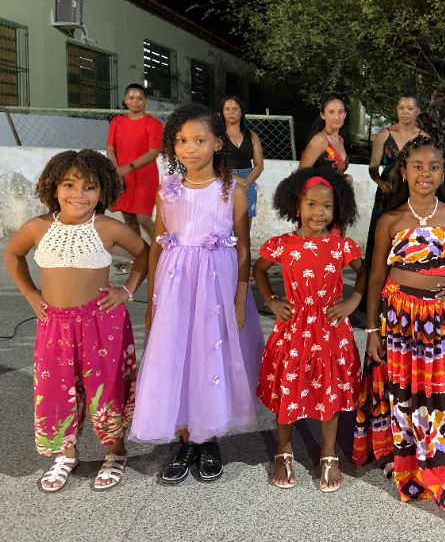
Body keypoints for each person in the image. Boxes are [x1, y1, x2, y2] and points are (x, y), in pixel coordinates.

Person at [129, 103, 263, 485]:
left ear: (218, 143)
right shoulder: (167, 190)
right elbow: (157, 246)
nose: (190, 149)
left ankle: (209, 439)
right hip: (175, 288)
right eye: (182, 141)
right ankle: (186, 439)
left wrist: (240, 299)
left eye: (200, 140)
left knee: (210, 355)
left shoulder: (232, 191)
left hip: (216, 289)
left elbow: (243, 249)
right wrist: (152, 301)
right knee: (179, 356)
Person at [4, 149, 147, 492]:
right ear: (54, 187)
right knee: (55, 388)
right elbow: (13, 253)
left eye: (89, 187)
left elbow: (146, 253)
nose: (78, 194)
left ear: (103, 191)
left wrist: (127, 290)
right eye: (69, 185)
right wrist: (31, 294)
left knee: (107, 388)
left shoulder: (108, 227)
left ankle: (115, 451)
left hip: (102, 324)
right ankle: (66, 454)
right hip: (54, 325)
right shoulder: (38, 227)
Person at [365, 136, 445, 539]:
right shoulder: (390, 220)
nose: (425, 174)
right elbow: (375, 277)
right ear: (403, 171)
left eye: (434, 167)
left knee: (438, 401)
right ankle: (409, 464)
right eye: (417, 166)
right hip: (397, 319)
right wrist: (372, 330)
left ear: (444, 172)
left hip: (437, 322)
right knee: (403, 394)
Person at [254, 167, 363, 492]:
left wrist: (353, 301)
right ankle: (283, 449)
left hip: (329, 327)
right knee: (289, 385)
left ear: (337, 209)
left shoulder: (342, 246)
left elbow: (366, 272)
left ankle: (328, 453)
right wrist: (272, 300)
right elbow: (259, 270)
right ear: (296, 206)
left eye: (327, 206)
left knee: (329, 388)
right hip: (293, 327)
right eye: (311, 204)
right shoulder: (282, 244)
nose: (319, 212)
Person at [361, 93, 430, 310]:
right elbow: (373, 165)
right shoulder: (385, 134)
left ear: (418, 111)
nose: (405, 112)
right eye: (401, 108)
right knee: (379, 241)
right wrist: (379, 182)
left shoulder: (424, 137)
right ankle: (372, 296)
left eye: (409, 108)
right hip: (388, 193)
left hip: (411, 194)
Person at [106, 83, 163, 241]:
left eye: (139, 98)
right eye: (131, 98)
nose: (135, 101)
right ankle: (140, 253)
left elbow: (153, 152)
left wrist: (128, 168)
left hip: (145, 177)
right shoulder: (117, 121)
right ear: (125, 100)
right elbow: (110, 149)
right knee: (128, 216)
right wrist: (117, 172)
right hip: (122, 177)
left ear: (145, 101)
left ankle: (162, 250)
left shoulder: (153, 124)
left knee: (142, 217)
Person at [221, 95, 264, 223]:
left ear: (241, 112)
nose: (231, 112)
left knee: (245, 224)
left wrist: (246, 182)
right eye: (227, 109)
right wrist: (236, 179)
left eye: (235, 109)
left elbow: (259, 165)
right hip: (224, 179)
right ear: (222, 112)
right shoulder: (216, 135)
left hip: (248, 180)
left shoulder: (252, 135)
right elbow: (212, 163)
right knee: (224, 224)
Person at [299, 94, 350, 181]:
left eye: (340, 112)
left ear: (345, 115)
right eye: (331, 112)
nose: (337, 117)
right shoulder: (320, 140)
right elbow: (300, 175)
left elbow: (336, 174)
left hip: (335, 188)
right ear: (323, 115)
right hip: (318, 189)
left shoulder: (340, 139)